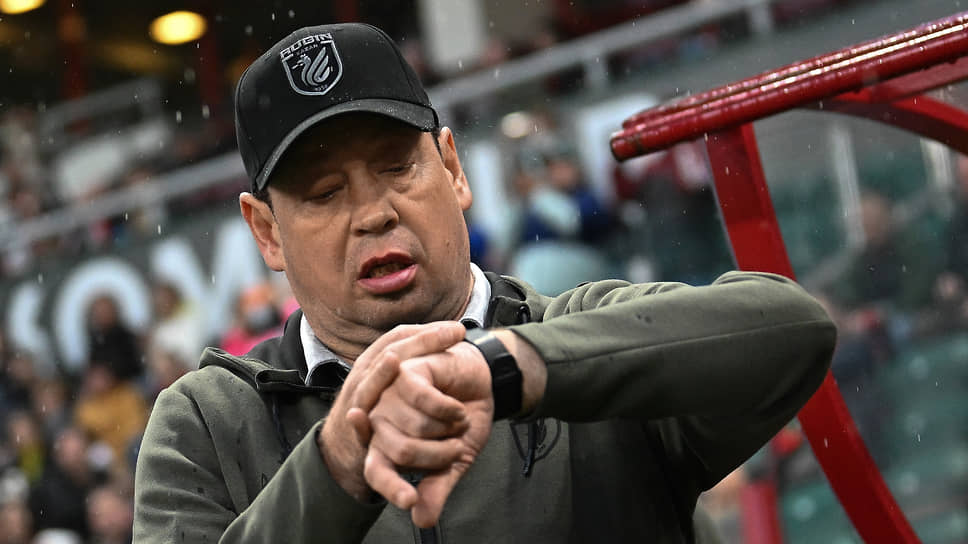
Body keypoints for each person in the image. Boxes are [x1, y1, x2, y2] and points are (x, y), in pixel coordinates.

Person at [133, 23, 836, 542]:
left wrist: (505, 368)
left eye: (396, 168)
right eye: (323, 194)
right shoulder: (207, 421)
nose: (374, 213)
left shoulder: (574, 327)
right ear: (266, 232)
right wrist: (338, 462)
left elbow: (793, 330)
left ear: (453, 169)